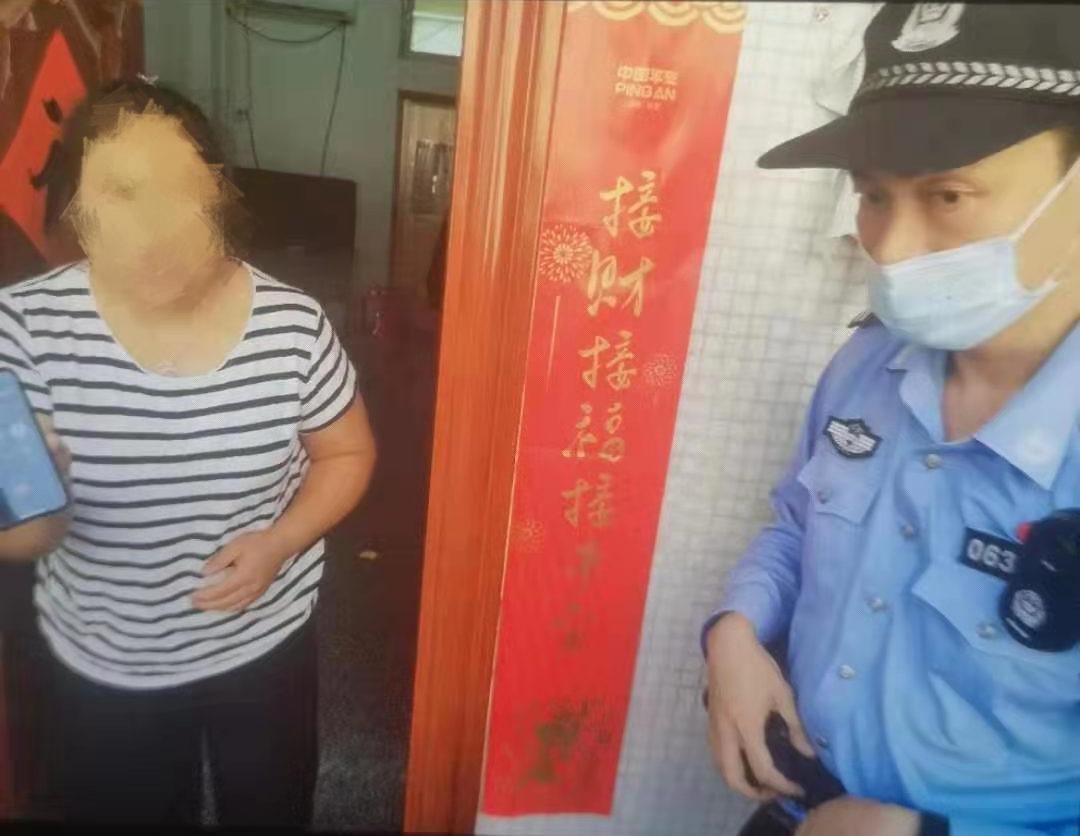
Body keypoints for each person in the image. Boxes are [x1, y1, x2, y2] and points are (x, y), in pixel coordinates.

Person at [701, 5, 1080, 836]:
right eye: (873, 195)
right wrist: (736, 631)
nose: (892, 247)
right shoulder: (869, 366)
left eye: (948, 195)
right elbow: (798, 522)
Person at [0, 78, 377, 826]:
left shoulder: (294, 325)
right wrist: (41, 499)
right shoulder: (24, 327)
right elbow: (21, 539)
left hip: (265, 641)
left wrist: (280, 542)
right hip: (105, 662)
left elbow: (348, 453)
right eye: (121, 191)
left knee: (270, 811)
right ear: (78, 204)